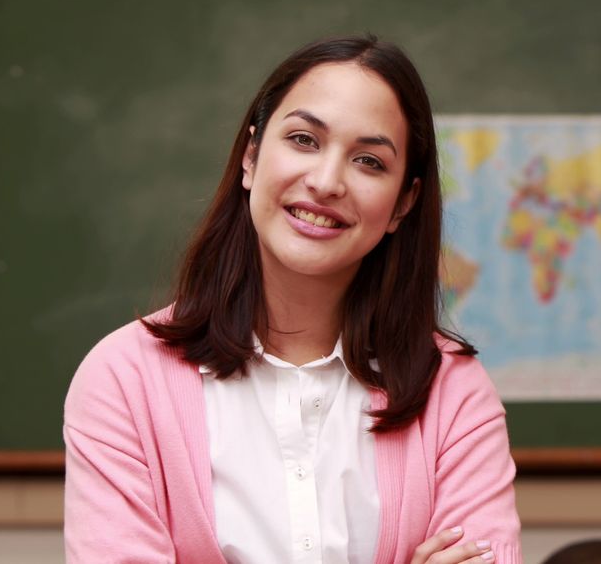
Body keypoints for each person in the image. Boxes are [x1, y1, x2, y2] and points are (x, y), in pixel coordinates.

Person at [62, 35, 521, 563]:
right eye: (304, 140)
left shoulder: (454, 393)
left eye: (369, 162)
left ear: (403, 204)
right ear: (251, 157)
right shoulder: (124, 380)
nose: (326, 182)